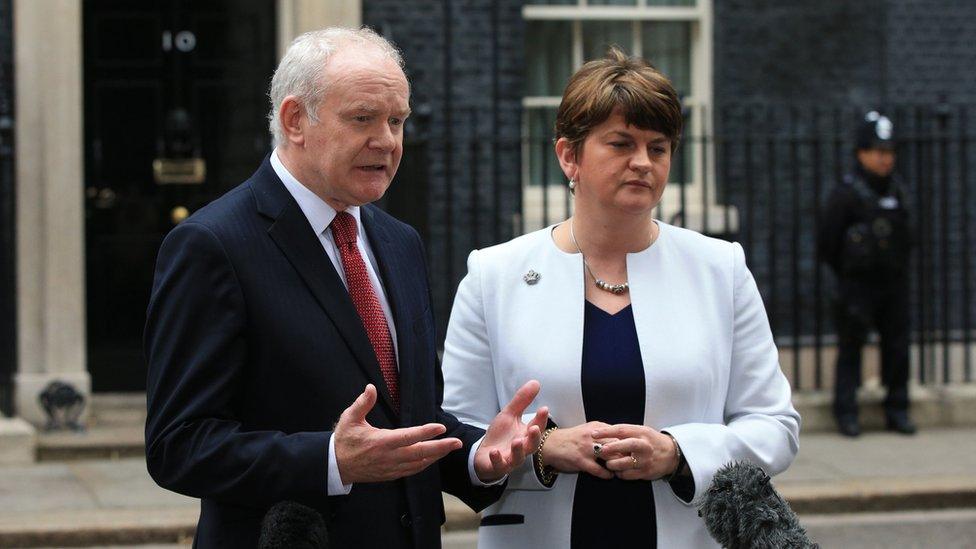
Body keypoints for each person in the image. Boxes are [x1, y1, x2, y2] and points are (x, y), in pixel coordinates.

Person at [144, 27, 548, 548]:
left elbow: (408, 418)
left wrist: (476, 455)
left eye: (396, 120)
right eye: (362, 118)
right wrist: (330, 461)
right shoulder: (213, 244)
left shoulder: (400, 242)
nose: (387, 140)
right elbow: (178, 444)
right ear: (295, 120)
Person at [441, 48, 800, 548]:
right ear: (569, 155)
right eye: (621, 143)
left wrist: (678, 452)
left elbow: (774, 425)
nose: (642, 162)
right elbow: (459, 432)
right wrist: (542, 447)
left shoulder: (721, 268)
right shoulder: (493, 275)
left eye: (658, 147)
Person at [817, 111, 916, 438]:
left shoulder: (898, 191)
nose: (886, 159)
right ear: (862, 153)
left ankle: (897, 409)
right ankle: (846, 412)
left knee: (898, 348)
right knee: (851, 348)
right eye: (879, 151)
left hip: (893, 283)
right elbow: (827, 244)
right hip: (857, 285)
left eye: (890, 152)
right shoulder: (846, 194)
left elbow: (911, 236)